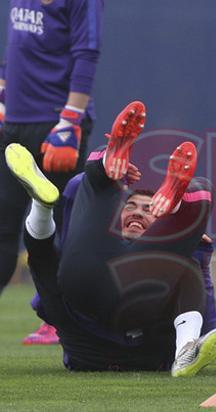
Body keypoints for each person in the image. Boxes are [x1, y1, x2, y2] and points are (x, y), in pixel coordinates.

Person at [5, 101, 216, 376]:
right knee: (200, 197)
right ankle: (185, 352)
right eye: (130, 207)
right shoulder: (172, 263)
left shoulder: (167, 262)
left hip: (93, 309)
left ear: (161, 228)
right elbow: (208, 322)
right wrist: (199, 259)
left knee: (53, 251)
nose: (136, 213)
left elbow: (41, 266)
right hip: (141, 323)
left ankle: (52, 199)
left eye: (148, 209)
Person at [0, 0, 104, 341]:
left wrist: (71, 119)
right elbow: (19, 46)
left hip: (56, 127)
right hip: (14, 125)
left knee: (56, 228)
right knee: (3, 225)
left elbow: (87, 51)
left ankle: (60, 318)